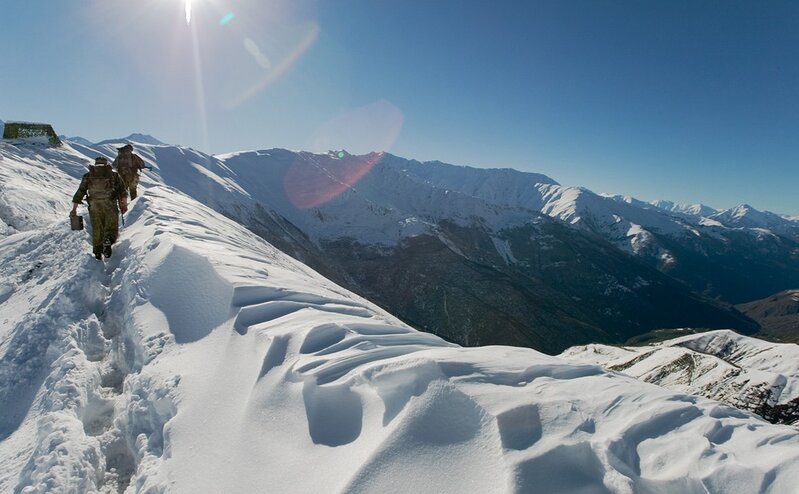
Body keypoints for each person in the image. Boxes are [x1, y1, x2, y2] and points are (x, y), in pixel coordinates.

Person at [71, 156, 128, 260]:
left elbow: (80, 192)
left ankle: (97, 253)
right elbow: (122, 191)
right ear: (106, 164)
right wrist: (123, 205)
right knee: (111, 228)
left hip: (94, 206)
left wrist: (74, 209)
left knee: (97, 228)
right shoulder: (114, 175)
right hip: (110, 205)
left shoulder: (88, 176)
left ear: (96, 164)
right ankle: (108, 241)